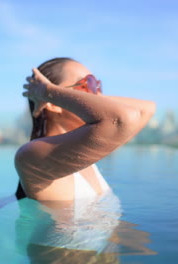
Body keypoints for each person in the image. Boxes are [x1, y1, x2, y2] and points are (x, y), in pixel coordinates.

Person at [14, 57, 156, 201]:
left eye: (96, 85)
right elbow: (123, 118)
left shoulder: (86, 151)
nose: (96, 94)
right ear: (53, 103)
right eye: (86, 84)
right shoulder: (30, 157)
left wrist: (94, 93)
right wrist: (48, 92)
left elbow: (147, 109)